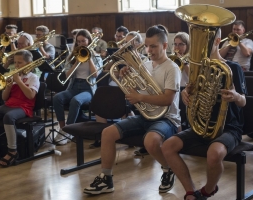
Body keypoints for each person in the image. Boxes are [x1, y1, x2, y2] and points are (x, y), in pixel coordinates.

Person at [83, 25, 181, 195]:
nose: (149, 50)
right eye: (147, 46)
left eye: (154, 46)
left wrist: (140, 98)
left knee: (150, 141)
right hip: (145, 115)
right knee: (107, 133)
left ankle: (168, 168)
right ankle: (106, 178)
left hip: (167, 118)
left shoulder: (172, 68)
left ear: (165, 46)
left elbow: (167, 99)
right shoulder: (145, 64)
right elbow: (139, 89)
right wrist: (125, 76)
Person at [162, 28, 247, 200]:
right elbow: (192, 91)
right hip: (201, 124)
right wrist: (187, 94)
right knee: (167, 146)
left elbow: (243, 101)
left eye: (207, 41)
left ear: (217, 41)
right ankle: (191, 191)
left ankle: (207, 190)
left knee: (214, 153)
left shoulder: (233, 67)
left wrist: (236, 96)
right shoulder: (197, 66)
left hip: (229, 127)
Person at [0, 50, 40, 167]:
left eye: (20, 63)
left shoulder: (33, 77)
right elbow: (4, 98)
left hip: (23, 107)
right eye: (15, 63)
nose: (16, 65)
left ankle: (12, 151)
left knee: (9, 117)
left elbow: (30, 96)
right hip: (8, 105)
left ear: (29, 63)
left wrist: (19, 81)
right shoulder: (12, 76)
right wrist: (8, 87)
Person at [53, 29, 103, 145]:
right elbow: (67, 76)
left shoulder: (96, 57)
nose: (81, 44)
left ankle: (69, 130)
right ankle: (62, 129)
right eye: (79, 41)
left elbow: (95, 75)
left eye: (84, 41)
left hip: (88, 88)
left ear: (89, 41)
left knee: (76, 101)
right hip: (74, 86)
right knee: (57, 98)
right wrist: (76, 61)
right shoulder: (72, 56)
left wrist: (89, 58)